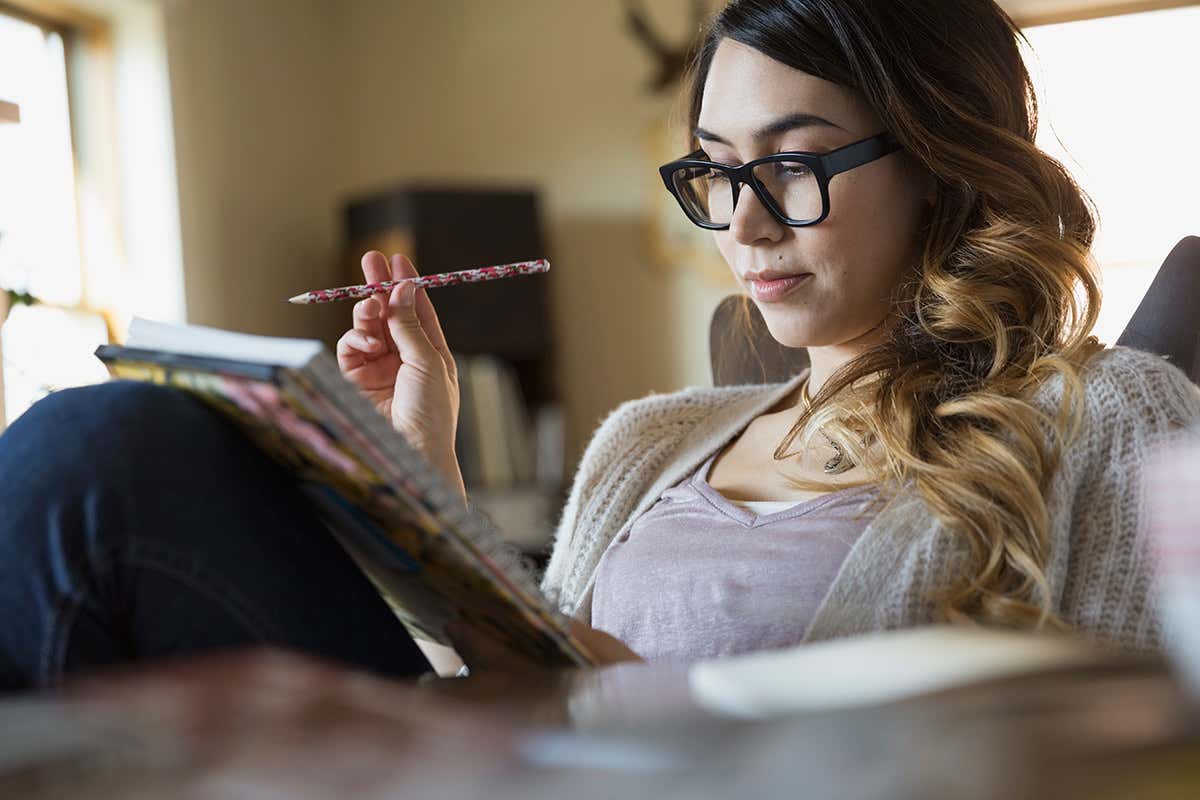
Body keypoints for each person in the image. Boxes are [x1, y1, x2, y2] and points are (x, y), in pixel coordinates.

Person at [1, 0, 1197, 690]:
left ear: (940, 161)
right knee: (96, 452)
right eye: (716, 172)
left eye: (791, 164)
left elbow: (1115, 753)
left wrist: (643, 702)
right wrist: (425, 485)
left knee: (106, 457)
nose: (742, 224)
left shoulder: (1109, 416)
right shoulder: (649, 440)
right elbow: (507, 688)